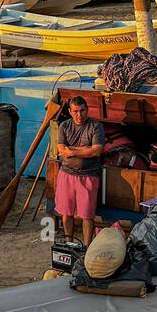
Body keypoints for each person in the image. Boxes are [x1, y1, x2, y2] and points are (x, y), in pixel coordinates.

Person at [54, 96, 106, 247]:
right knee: (66, 212)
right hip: (66, 174)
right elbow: (61, 149)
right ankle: (69, 242)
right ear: (70, 111)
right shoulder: (64, 126)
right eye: (75, 111)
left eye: (82, 110)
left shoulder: (96, 127)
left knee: (87, 215)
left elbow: (96, 151)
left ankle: (86, 246)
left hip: (88, 176)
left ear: (87, 110)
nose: (79, 114)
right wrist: (84, 149)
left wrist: (72, 151)